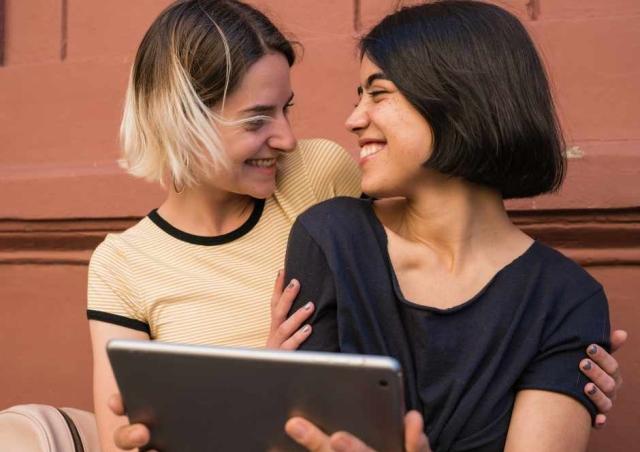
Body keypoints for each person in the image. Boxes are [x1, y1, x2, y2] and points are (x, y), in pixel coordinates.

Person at [90, 1, 625, 451]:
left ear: (459, 101)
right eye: (257, 120)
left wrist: (567, 356)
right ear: (179, 119)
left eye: (287, 110)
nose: (288, 138)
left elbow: (446, 248)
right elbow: (128, 435)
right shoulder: (128, 264)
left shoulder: (320, 177)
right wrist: (267, 387)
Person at [279, 2, 625, 451]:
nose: (354, 118)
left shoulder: (565, 298)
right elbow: (297, 436)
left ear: (459, 97)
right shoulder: (331, 238)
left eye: (378, 93)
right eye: (358, 96)